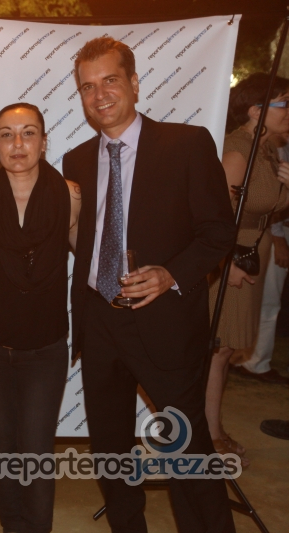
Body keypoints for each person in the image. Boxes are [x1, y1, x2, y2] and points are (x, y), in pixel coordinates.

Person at [63, 37, 237, 532]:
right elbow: (88, 237)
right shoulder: (76, 160)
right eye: (88, 87)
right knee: (110, 447)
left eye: (110, 81)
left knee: (187, 447)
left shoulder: (187, 144)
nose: (99, 95)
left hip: (164, 321)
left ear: (135, 83)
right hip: (99, 319)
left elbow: (218, 232)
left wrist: (170, 273)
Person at [0, 103, 80, 533]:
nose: (18, 143)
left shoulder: (70, 195)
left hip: (45, 347)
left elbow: (91, 257)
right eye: (7, 134)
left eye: (28, 133)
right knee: (2, 445)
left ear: (44, 142)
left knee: (37, 451)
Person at [207, 73, 289, 464]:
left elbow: (268, 204)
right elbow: (213, 215)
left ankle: (211, 428)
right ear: (256, 111)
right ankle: (209, 434)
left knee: (225, 350)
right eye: (284, 104)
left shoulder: (269, 150)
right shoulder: (237, 150)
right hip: (233, 258)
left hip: (253, 254)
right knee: (217, 350)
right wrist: (226, 265)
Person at [232, 131, 289, 386]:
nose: (287, 114)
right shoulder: (270, 145)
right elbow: (269, 199)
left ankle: (249, 359)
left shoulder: (275, 145)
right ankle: (254, 362)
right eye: (284, 110)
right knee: (267, 300)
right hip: (267, 232)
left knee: (266, 301)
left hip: (269, 232)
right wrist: (278, 237)